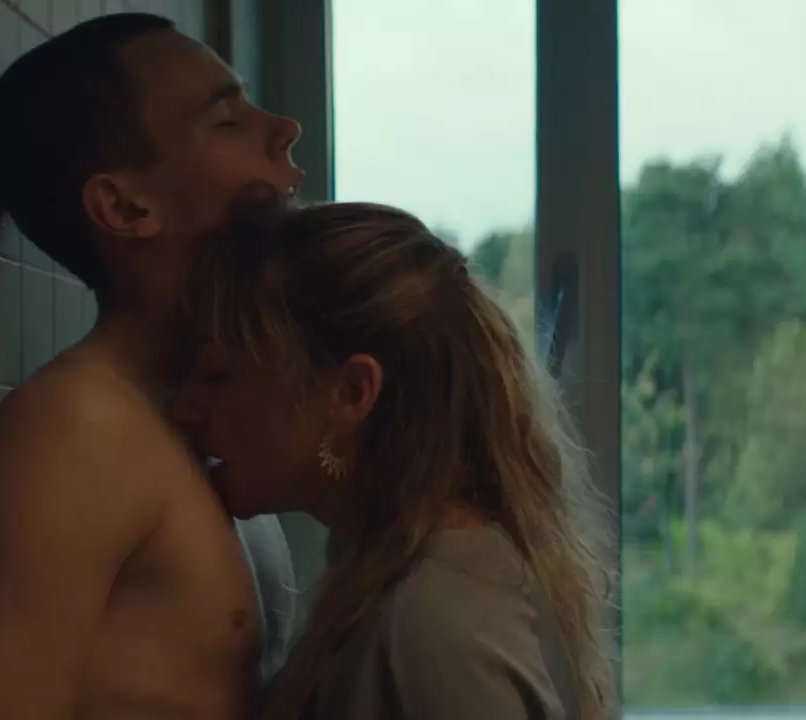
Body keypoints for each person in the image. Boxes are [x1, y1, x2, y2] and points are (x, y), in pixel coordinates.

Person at [0, 13, 305, 720]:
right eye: (226, 121)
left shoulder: (220, 421)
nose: (284, 129)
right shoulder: (74, 431)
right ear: (125, 206)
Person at [173, 199, 617, 720]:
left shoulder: (433, 620)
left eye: (218, 377)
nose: (186, 406)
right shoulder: (404, 572)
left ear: (351, 392)